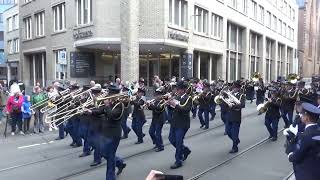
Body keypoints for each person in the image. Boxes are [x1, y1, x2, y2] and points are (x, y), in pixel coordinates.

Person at [85, 86, 126, 180]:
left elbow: (113, 116)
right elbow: (100, 111)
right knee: (103, 153)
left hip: (114, 134)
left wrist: (107, 106)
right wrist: (91, 111)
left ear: (115, 95)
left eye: (110, 95)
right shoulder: (109, 103)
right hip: (105, 132)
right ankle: (119, 162)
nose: (108, 97)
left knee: (110, 157)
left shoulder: (120, 105)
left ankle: (110, 178)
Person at [285, 103, 320, 180]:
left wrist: (289, 154)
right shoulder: (316, 131)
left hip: (307, 174)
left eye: (302, 114)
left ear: (306, 117)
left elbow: (296, 157)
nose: (301, 116)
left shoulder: (305, 136)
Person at [167, 80, 192, 169]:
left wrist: (175, 105)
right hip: (174, 122)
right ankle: (185, 150)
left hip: (182, 124)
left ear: (184, 89)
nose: (176, 90)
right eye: (176, 88)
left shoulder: (188, 98)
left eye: (178, 89)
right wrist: (169, 104)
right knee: (171, 139)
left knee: (178, 142)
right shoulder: (176, 97)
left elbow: (186, 110)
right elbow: (172, 109)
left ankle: (178, 161)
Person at [225, 80, 245, 153]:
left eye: (235, 87)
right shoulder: (229, 94)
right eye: (233, 87)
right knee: (228, 131)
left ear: (238, 88)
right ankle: (236, 140)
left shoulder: (241, 95)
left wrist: (232, 106)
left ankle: (235, 147)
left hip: (236, 117)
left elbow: (242, 105)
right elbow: (225, 103)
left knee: (234, 133)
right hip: (229, 116)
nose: (233, 89)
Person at [147, 88, 165, 152]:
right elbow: (151, 108)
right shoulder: (154, 101)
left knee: (158, 133)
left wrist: (151, 105)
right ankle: (157, 143)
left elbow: (159, 109)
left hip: (160, 119)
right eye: (156, 95)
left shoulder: (162, 101)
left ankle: (160, 146)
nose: (156, 96)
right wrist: (148, 105)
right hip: (154, 119)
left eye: (158, 95)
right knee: (151, 132)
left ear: (161, 96)